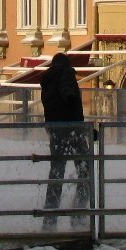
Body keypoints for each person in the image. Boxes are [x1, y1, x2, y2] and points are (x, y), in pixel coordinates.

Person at [39, 52, 90, 230]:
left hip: (56, 132)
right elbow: (67, 89)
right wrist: (71, 99)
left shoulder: (46, 80)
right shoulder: (66, 73)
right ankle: (79, 213)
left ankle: (50, 217)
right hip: (73, 130)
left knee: (57, 172)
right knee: (86, 169)